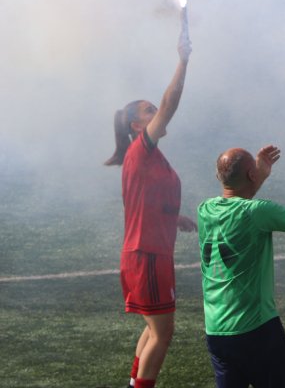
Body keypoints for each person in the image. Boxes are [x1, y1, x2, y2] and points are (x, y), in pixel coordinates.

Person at [104, 20, 195, 388]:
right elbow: (172, 103)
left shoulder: (147, 157)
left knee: (153, 328)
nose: (155, 111)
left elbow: (148, 201)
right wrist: (183, 61)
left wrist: (174, 218)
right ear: (136, 126)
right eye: (148, 111)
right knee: (163, 332)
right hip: (147, 255)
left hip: (148, 252)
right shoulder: (142, 150)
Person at [198, 138, 285, 388]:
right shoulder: (256, 212)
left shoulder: (205, 210)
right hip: (256, 330)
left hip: (217, 333)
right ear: (249, 174)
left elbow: (238, 198)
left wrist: (258, 175)